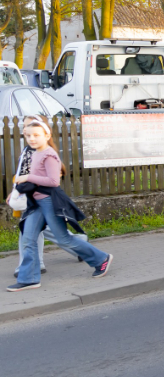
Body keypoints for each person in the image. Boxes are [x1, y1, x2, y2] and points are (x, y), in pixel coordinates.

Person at [9, 119, 113, 291]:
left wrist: (27, 177)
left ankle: (101, 259)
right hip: (36, 203)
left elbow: (53, 181)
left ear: (47, 135)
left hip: (49, 201)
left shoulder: (49, 155)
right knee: (28, 239)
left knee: (64, 239)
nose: (32, 139)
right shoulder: (35, 154)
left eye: (36, 135)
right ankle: (29, 279)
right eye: (28, 136)